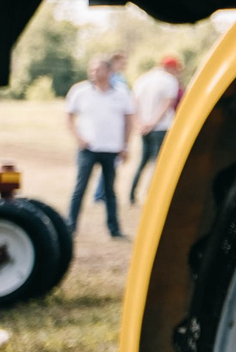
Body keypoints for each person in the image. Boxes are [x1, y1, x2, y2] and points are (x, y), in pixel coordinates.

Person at [62, 56, 131, 240]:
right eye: (92, 69)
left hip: (111, 149)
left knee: (110, 191)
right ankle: (71, 226)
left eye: (98, 69)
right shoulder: (80, 91)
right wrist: (79, 138)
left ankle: (114, 229)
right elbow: (68, 116)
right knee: (80, 188)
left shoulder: (121, 92)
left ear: (109, 72)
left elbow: (128, 120)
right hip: (88, 149)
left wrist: (125, 146)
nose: (94, 73)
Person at [128, 53, 183, 203]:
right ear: (170, 67)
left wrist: (140, 123)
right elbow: (167, 104)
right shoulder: (170, 81)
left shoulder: (142, 79)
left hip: (144, 127)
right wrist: (153, 123)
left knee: (143, 161)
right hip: (161, 127)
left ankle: (131, 194)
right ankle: (151, 196)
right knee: (158, 163)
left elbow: (133, 103)